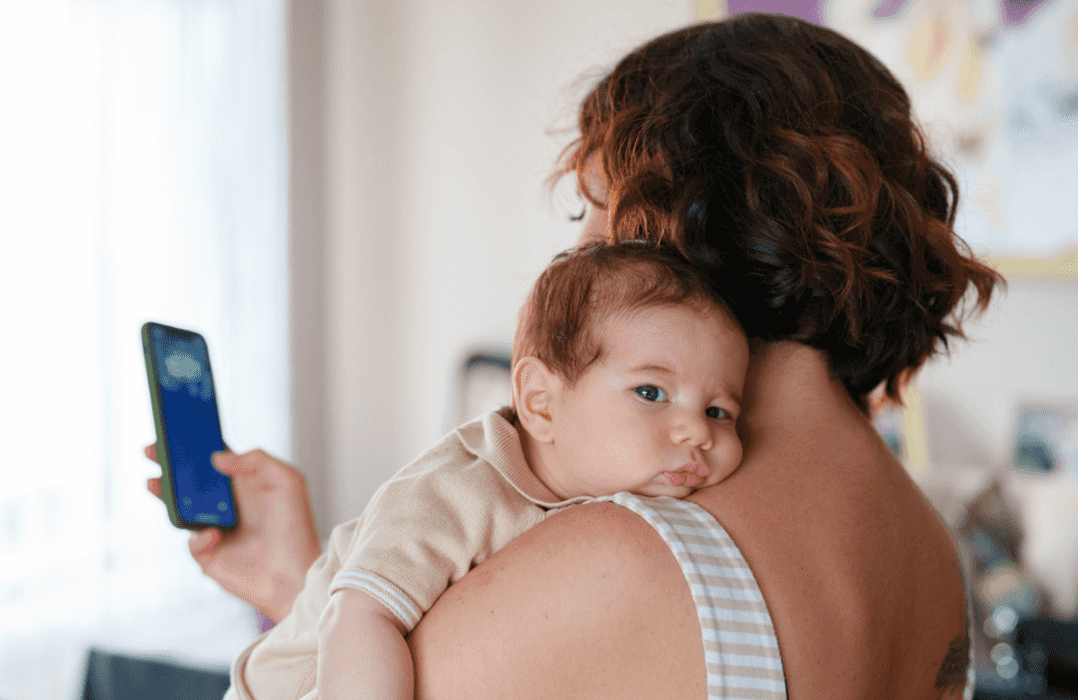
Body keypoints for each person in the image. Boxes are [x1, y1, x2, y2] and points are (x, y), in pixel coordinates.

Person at [148, 11, 1003, 700]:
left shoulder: (625, 558)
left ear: (679, 226)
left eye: (595, 218)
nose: (583, 261)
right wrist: (314, 583)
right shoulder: (929, 550)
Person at [238, 243, 749, 700]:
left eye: (719, 411)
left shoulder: (624, 500)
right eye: (651, 393)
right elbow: (359, 618)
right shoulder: (454, 490)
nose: (698, 433)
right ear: (540, 403)